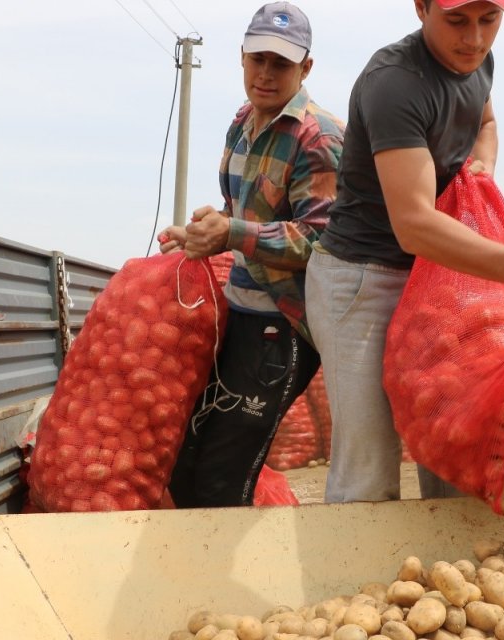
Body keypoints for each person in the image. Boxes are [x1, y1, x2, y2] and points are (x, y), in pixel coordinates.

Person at [305, 0, 504, 503]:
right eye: (457, 21)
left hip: (436, 279)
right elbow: (414, 225)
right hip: (363, 279)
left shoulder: (479, 60)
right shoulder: (396, 83)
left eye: (490, 20)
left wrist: (482, 161)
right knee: (370, 472)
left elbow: (485, 119)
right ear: (421, 7)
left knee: (457, 445)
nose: (475, 39)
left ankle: (454, 574)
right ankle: (362, 578)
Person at [159, 1, 345, 507]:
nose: (266, 73)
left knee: (225, 477)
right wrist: (199, 232)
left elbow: (321, 242)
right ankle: (201, 575)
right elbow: (236, 209)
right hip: (238, 316)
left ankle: (224, 583)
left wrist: (231, 233)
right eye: (258, 59)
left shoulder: (318, 138)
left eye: (281, 63)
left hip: (283, 328)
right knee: (184, 462)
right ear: (242, 57)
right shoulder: (242, 122)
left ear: (305, 68)